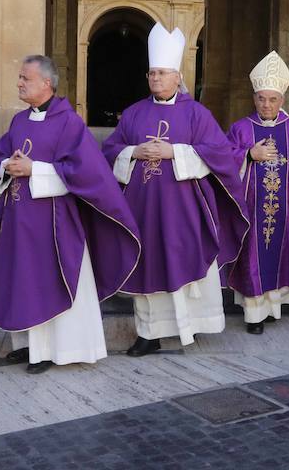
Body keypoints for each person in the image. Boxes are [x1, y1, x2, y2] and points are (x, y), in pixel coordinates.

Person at [0, 55, 141, 374]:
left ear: (47, 84)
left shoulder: (70, 122)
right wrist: (6, 166)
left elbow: (86, 171)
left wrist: (34, 169)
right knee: (21, 280)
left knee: (46, 281)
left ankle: (55, 350)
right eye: (20, 77)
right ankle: (28, 345)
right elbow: (1, 155)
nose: (19, 83)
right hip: (18, 219)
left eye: (25, 78)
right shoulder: (19, 121)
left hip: (53, 223)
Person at [102, 23, 248, 356]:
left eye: (162, 73)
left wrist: (175, 152)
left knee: (183, 260)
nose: (155, 78)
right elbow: (110, 150)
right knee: (147, 265)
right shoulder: (134, 113)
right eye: (152, 73)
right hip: (142, 206)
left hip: (184, 208)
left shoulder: (197, 113)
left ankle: (190, 326)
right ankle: (148, 334)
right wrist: (133, 152)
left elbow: (219, 153)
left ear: (177, 76)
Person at [225, 51, 289, 333]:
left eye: (272, 99)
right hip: (251, 210)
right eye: (261, 98)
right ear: (254, 98)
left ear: (282, 100)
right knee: (253, 258)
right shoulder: (241, 129)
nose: (266, 104)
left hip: (286, 211)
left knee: (279, 257)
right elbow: (222, 161)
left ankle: (272, 308)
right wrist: (247, 154)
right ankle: (254, 315)